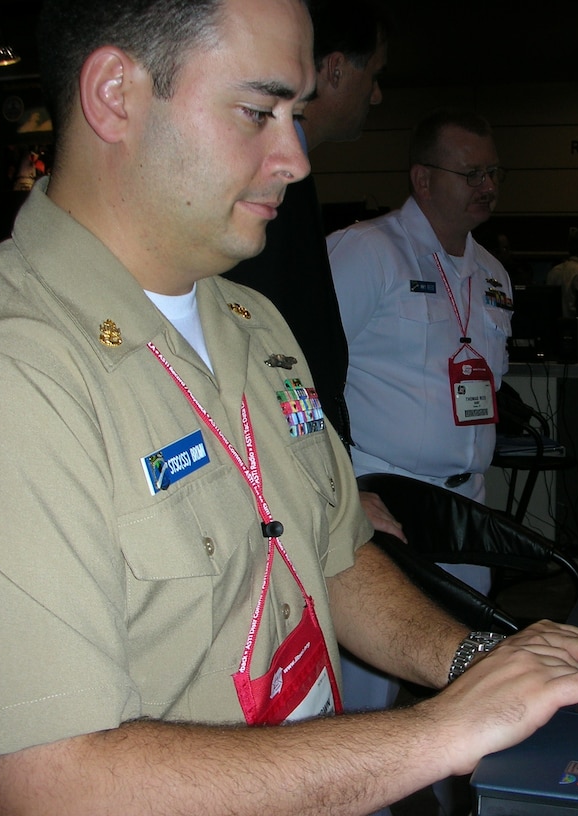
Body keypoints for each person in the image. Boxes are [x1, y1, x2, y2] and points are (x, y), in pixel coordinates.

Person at [0, 1, 578, 814]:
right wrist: (444, 730)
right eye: (258, 111)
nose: (295, 157)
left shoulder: (251, 322)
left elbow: (334, 554)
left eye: (297, 115)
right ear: (115, 95)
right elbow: (54, 788)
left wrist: (477, 658)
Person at [223, 0, 403, 540]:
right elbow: (258, 359)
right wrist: (321, 488)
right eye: (374, 74)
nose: (376, 94)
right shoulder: (262, 190)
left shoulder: (294, 180)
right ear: (336, 68)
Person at [328, 108, 512, 508]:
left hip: (469, 496)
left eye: (494, 172)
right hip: (381, 494)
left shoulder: (491, 272)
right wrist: (339, 490)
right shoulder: (366, 252)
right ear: (423, 180)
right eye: (472, 174)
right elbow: (302, 371)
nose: (488, 186)